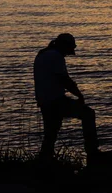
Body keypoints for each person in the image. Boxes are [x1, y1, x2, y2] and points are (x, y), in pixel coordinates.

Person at [33, 33, 99, 162]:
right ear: (65, 46)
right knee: (88, 114)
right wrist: (79, 95)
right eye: (70, 50)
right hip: (55, 101)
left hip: (44, 101)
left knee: (50, 133)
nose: (69, 53)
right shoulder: (56, 56)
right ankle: (92, 152)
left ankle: (44, 160)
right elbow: (65, 80)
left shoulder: (43, 54)